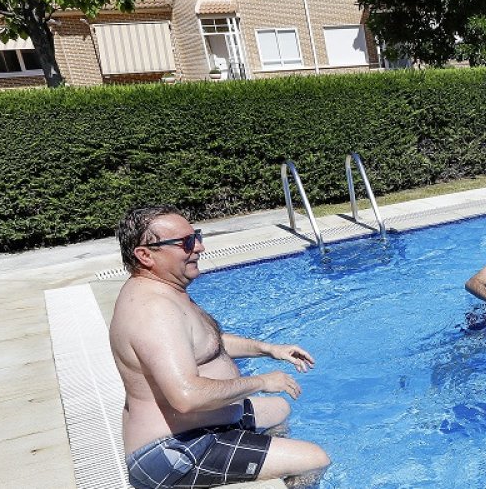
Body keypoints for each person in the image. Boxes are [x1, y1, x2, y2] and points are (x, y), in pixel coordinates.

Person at [109, 206, 330, 489]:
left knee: (279, 409)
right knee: (315, 458)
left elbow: (205, 343)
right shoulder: (153, 310)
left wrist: (269, 349)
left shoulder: (164, 292)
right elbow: (187, 396)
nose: (199, 247)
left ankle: (269, 467)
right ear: (145, 254)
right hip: (174, 452)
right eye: (186, 242)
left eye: (196, 236)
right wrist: (261, 381)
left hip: (194, 429)